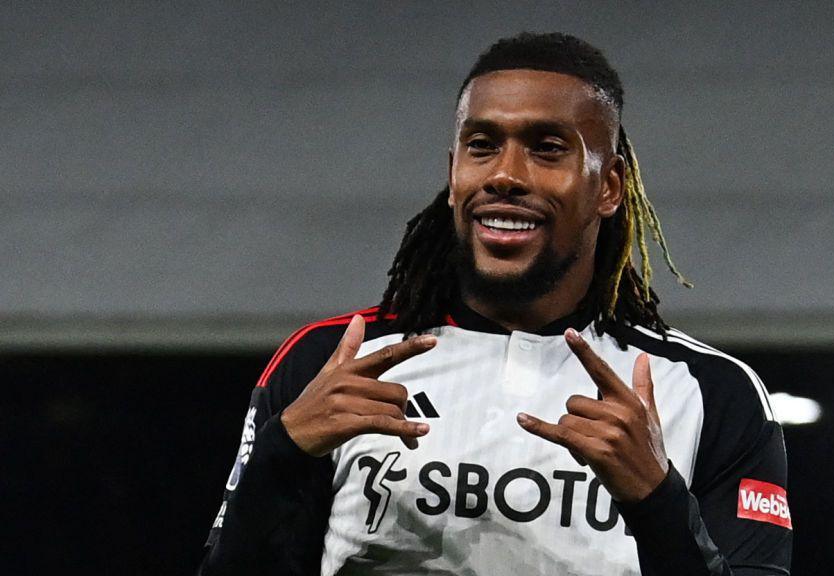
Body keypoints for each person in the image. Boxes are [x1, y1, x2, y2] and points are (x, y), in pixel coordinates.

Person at [198, 32, 792, 576]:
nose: (505, 175)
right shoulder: (329, 363)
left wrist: (657, 501)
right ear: (453, 171)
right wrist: (282, 453)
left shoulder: (710, 392)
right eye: (481, 146)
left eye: (547, 148)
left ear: (609, 186)